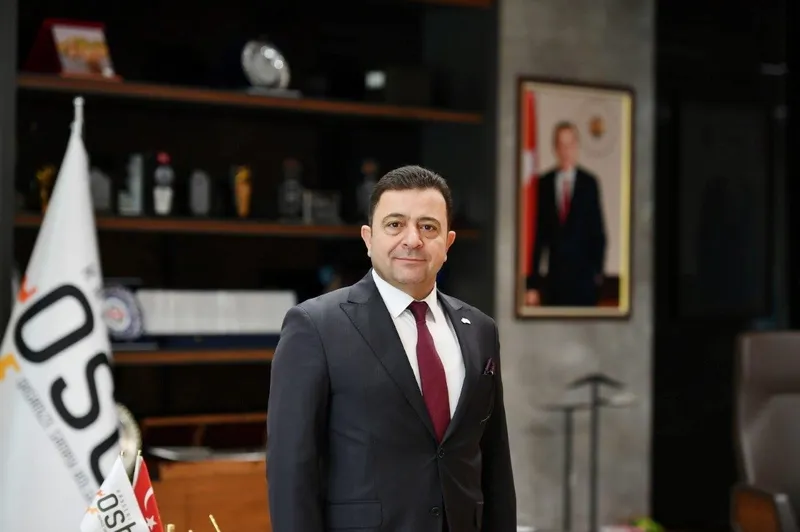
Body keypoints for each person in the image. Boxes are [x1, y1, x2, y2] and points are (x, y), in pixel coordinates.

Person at [267, 165, 516, 532]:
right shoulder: (316, 327)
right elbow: (291, 471)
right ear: (368, 238)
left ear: (448, 243)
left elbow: (495, 463)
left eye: (428, 227)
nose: (412, 239)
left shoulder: (480, 330)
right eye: (395, 224)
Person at [525, 121, 607, 307]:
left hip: (584, 284)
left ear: (577, 146)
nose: (566, 151)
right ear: (555, 148)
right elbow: (538, 237)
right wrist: (532, 284)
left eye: (570, 144)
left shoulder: (589, 184)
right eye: (561, 145)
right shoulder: (544, 184)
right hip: (554, 283)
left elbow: (598, 234)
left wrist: (597, 275)